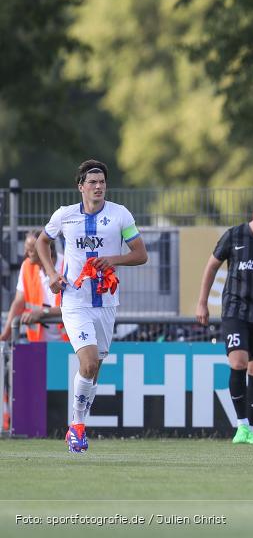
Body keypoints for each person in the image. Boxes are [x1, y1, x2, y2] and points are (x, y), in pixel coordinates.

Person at [36, 160, 148, 453]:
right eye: (92, 182)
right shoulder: (65, 215)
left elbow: (140, 254)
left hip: (106, 301)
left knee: (95, 367)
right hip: (74, 301)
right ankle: (77, 428)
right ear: (81, 187)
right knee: (87, 362)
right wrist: (51, 273)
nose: (98, 187)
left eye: (102, 182)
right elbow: (42, 242)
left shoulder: (120, 215)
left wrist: (114, 259)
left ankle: (77, 423)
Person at [196, 197, 253, 445]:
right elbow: (212, 266)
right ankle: (242, 426)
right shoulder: (234, 235)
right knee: (239, 362)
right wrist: (202, 302)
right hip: (236, 311)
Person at [1, 230, 65, 343]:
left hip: (67, 346)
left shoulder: (67, 267)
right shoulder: (27, 266)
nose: (25, 253)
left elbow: (75, 307)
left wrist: (42, 312)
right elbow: (18, 303)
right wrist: (5, 336)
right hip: (38, 345)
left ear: (45, 250)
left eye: (30, 250)